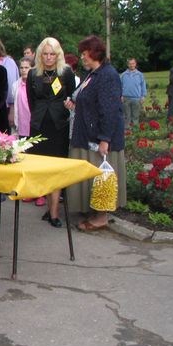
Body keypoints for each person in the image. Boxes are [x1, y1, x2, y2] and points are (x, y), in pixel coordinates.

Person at [65, 35, 126, 231]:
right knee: (93, 177)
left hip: (99, 138)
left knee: (101, 178)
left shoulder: (108, 75)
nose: (82, 57)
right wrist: (74, 103)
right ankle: (94, 212)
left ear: (95, 53)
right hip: (86, 134)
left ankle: (101, 217)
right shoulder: (92, 74)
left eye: (85, 53)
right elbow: (87, 100)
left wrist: (105, 139)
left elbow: (110, 110)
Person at [26, 37, 76, 227]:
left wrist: (67, 106)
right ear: (40, 55)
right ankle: (50, 207)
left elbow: (71, 96)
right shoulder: (33, 74)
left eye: (52, 54)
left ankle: (54, 213)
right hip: (39, 124)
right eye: (45, 54)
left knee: (56, 168)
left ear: (58, 55)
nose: (48, 57)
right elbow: (31, 101)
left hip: (59, 125)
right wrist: (39, 116)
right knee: (43, 168)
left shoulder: (66, 72)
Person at [120, 58, 147, 129]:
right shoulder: (123, 75)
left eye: (133, 63)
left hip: (136, 98)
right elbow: (119, 86)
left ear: (135, 64)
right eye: (130, 64)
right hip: (125, 98)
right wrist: (120, 95)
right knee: (126, 116)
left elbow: (143, 86)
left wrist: (143, 96)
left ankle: (135, 130)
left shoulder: (140, 75)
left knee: (135, 116)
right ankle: (127, 131)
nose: (131, 65)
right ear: (127, 64)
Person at [12, 56, 34, 137]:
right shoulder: (15, 85)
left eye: (26, 68)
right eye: (21, 68)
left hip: (33, 122)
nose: (23, 70)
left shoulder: (36, 84)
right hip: (21, 124)